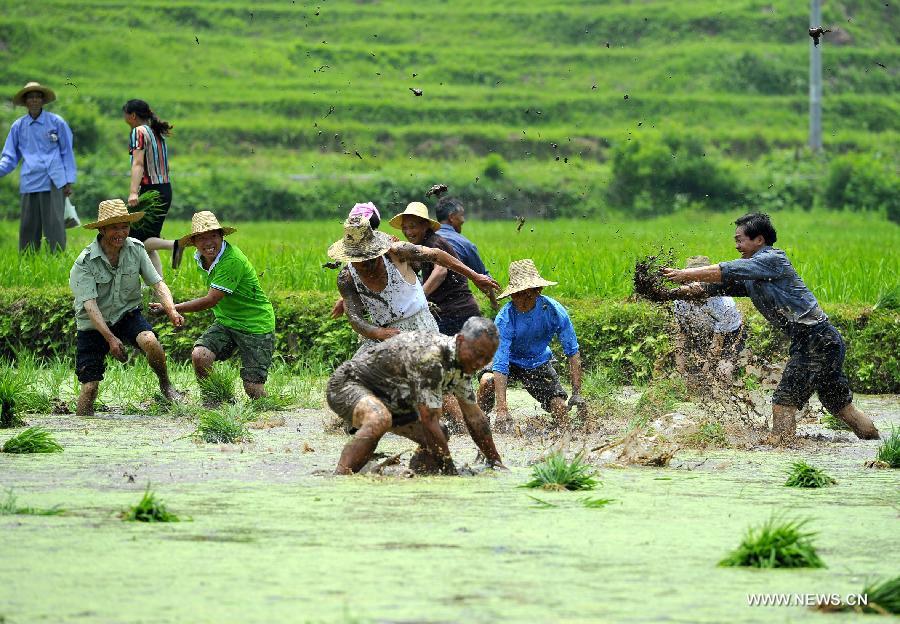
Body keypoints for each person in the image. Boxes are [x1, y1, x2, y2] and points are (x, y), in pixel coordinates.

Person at [662, 212, 879, 443]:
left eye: (739, 239)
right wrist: (668, 293)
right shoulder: (754, 275)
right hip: (822, 340)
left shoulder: (773, 259)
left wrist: (683, 274)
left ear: (759, 240)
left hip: (815, 339)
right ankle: (879, 446)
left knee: (783, 402)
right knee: (841, 408)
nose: (736, 245)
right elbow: (715, 287)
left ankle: (783, 451)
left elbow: (728, 270)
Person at [327, 317, 506, 475]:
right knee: (379, 418)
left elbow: (475, 417)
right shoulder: (434, 357)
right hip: (348, 384)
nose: (479, 363)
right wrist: (449, 470)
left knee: (440, 433)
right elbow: (429, 420)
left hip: (391, 399)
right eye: (477, 354)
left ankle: (418, 477)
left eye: (486, 359)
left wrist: (495, 461)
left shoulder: (462, 365)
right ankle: (340, 476)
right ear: (460, 340)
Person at [69, 199, 183, 417]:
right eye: (114, 227)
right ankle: (83, 422)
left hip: (126, 314)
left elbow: (157, 283)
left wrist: (171, 310)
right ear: (102, 229)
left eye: (125, 226)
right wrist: (111, 339)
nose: (120, 232)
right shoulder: (84, 262)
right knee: (90, 387)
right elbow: (90, 305)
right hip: (94, 325)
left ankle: (166, 384)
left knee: (150, 341)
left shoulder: (136, 249)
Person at [328, 213, 499, 356]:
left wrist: (475, 276)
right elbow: (355, 318)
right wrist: (377, 333)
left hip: (419, 325)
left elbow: (437, 255)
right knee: (356, 377)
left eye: (366, 258)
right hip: (384, 333)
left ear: (375, 251)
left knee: (436, 383)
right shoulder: (346, 278)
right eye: (356, 259)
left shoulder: (397, 252)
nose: (361, 265)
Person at [152, 211, 275, 401]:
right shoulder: (199, 258)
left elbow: (211, 300)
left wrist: (172, 308)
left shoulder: (232, 260)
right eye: (202, 238)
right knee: (200, 355)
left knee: (253, 390)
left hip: (255, 325)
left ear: (221, 236)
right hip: (227, 322)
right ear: (193, 242)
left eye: (213, 236)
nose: (208, 242)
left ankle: (271, 409)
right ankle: (215, 400)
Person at [477, 259, 585, 431]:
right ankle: (479, 423)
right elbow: (500, 362)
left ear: (537, 291)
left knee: (560, 408)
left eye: (526, 294)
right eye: (516, 294)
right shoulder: (506, 318)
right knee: (487, 381)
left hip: (538, 361)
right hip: (510, 360)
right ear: (511, 295)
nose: (521, 299)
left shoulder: (553, 311)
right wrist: (502, 409)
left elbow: (572, 351)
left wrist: (577, 392)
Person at [0, 81, 76, 252]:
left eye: (37, 97)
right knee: (28, 225)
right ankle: (28, 260)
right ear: (25, 101)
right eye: (30, 97)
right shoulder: (18, 127)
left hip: (54, 180)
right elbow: (9, 157)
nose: (34, 100)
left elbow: (67, 152)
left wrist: (68, 180)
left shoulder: (57, 122)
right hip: (30, 180)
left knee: (54, 225)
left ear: (43, 100)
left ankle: (56, 259)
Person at [389, 202, 484, 336]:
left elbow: (440, 272)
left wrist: (418, 299)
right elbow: (413, 270)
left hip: (456, 312)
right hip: (453, 311)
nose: (408, 232)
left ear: (425, 225)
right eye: (405, 228)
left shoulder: (434, 243)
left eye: (412, 226)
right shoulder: (422, 244)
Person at [122, 99, 183, 275]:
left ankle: (175, 245)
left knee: (136, 239)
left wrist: (134, 192)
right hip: (165, 189)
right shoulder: (157, 132)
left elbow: (138, 164)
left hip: (152, 191)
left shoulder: (139, 132)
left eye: (125, 115)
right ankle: (159, 285)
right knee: (149, 240)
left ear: (132, 116)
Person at [672, 255, 744, 385]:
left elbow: (717, 345)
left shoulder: (724, 304)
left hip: (730, 337)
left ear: (709, 281)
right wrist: (680, 371)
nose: (695, 284)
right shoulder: (680, 301)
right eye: (690, 279)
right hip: (703, 332)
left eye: (699, 279)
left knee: (722, 374)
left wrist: (703, 377)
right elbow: (681, 336)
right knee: (683, 375)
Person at [435, 196, 498, 310]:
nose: (463, 220)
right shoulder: (464, 244)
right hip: (457, 306)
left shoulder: (426, 241)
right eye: (462, 215)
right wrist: (495, 304)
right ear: (452, 217)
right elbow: (484, 278)